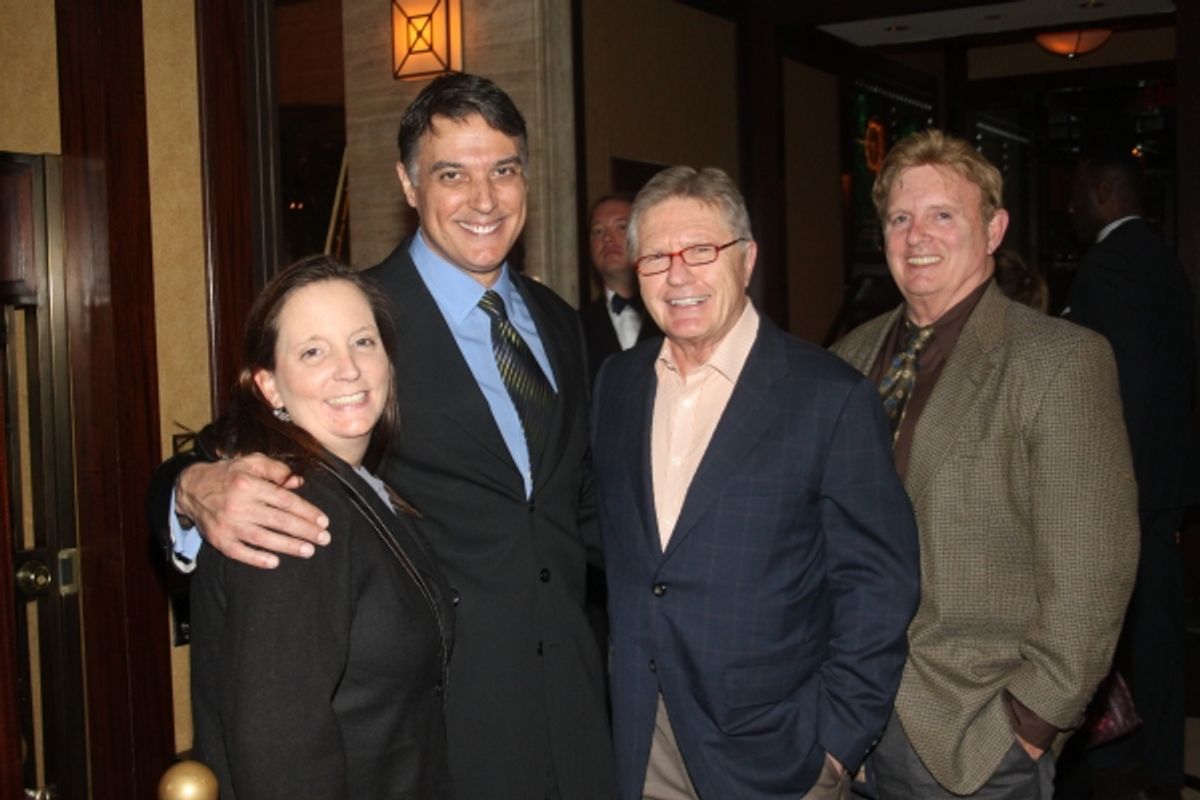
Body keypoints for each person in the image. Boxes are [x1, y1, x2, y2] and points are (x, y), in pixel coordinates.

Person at [151, 74, 615, 799]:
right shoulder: (355, 322)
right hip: (444, 733)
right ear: (407, 183)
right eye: (452, 174)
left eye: (504, 170)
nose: (484, 199)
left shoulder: (558, 321)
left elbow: (573, 501)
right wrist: (189, 490)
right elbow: (233, 440)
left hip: (577, 715)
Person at [592, 165, 921, 800]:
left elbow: (878, 581)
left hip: (781, 752)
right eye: (656, 257)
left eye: (701, 251)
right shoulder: (618, 384)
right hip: (647, 735)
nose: (678, 275)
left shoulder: (829, 396)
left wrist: (836, 744)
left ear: (747, 261)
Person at [830, 129, 1139, 799]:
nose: (918, 236)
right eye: (900, 218)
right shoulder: (847, 359)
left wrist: (1027, 726)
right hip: (843, 725)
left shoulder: (1058, 361)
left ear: (993, 229)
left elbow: (1092, 573)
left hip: (970, 737)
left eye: (944, 215)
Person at [189, 255, 455, 797]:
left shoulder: (353, 488)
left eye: (363, 342)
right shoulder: (290, 511)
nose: (349, 369)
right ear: (269, 387)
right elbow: (279, 755)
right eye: (313, 351)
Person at [1062, 149, 1200, 800]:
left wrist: (1109, 488)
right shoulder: (1162, 257)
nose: (1068, 207)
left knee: (1119, 636)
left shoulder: (1108, 266)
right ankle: (1160, 765)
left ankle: (1129, 765)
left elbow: (1125, 388)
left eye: (1075, 194)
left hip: (1130, 488)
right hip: (1166, 481)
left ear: (1099, 191)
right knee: (1156, 632)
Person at [580, 194, 661, 384]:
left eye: (621, 227)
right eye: (598, 231)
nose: (608, 238)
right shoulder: (574, 327)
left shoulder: (674, 314)